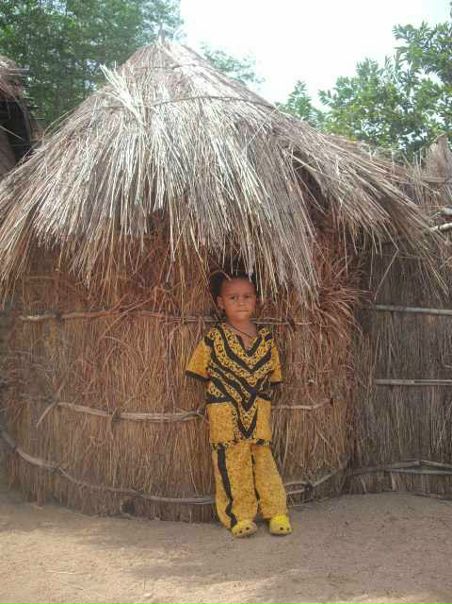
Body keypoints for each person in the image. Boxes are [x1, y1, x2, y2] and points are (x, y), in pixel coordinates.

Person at [185, 271, 291, 538]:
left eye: (247, 296)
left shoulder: (266, 339)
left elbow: (274, 375)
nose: (241, 302)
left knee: (264, 460)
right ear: (221, 303)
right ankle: (239, 516)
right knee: (232, 463)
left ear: (256, 300)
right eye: (233, 298)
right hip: (226, 414)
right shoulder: (214, 338)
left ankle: (276, 511)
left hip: (258, 412)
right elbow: (198, 370)